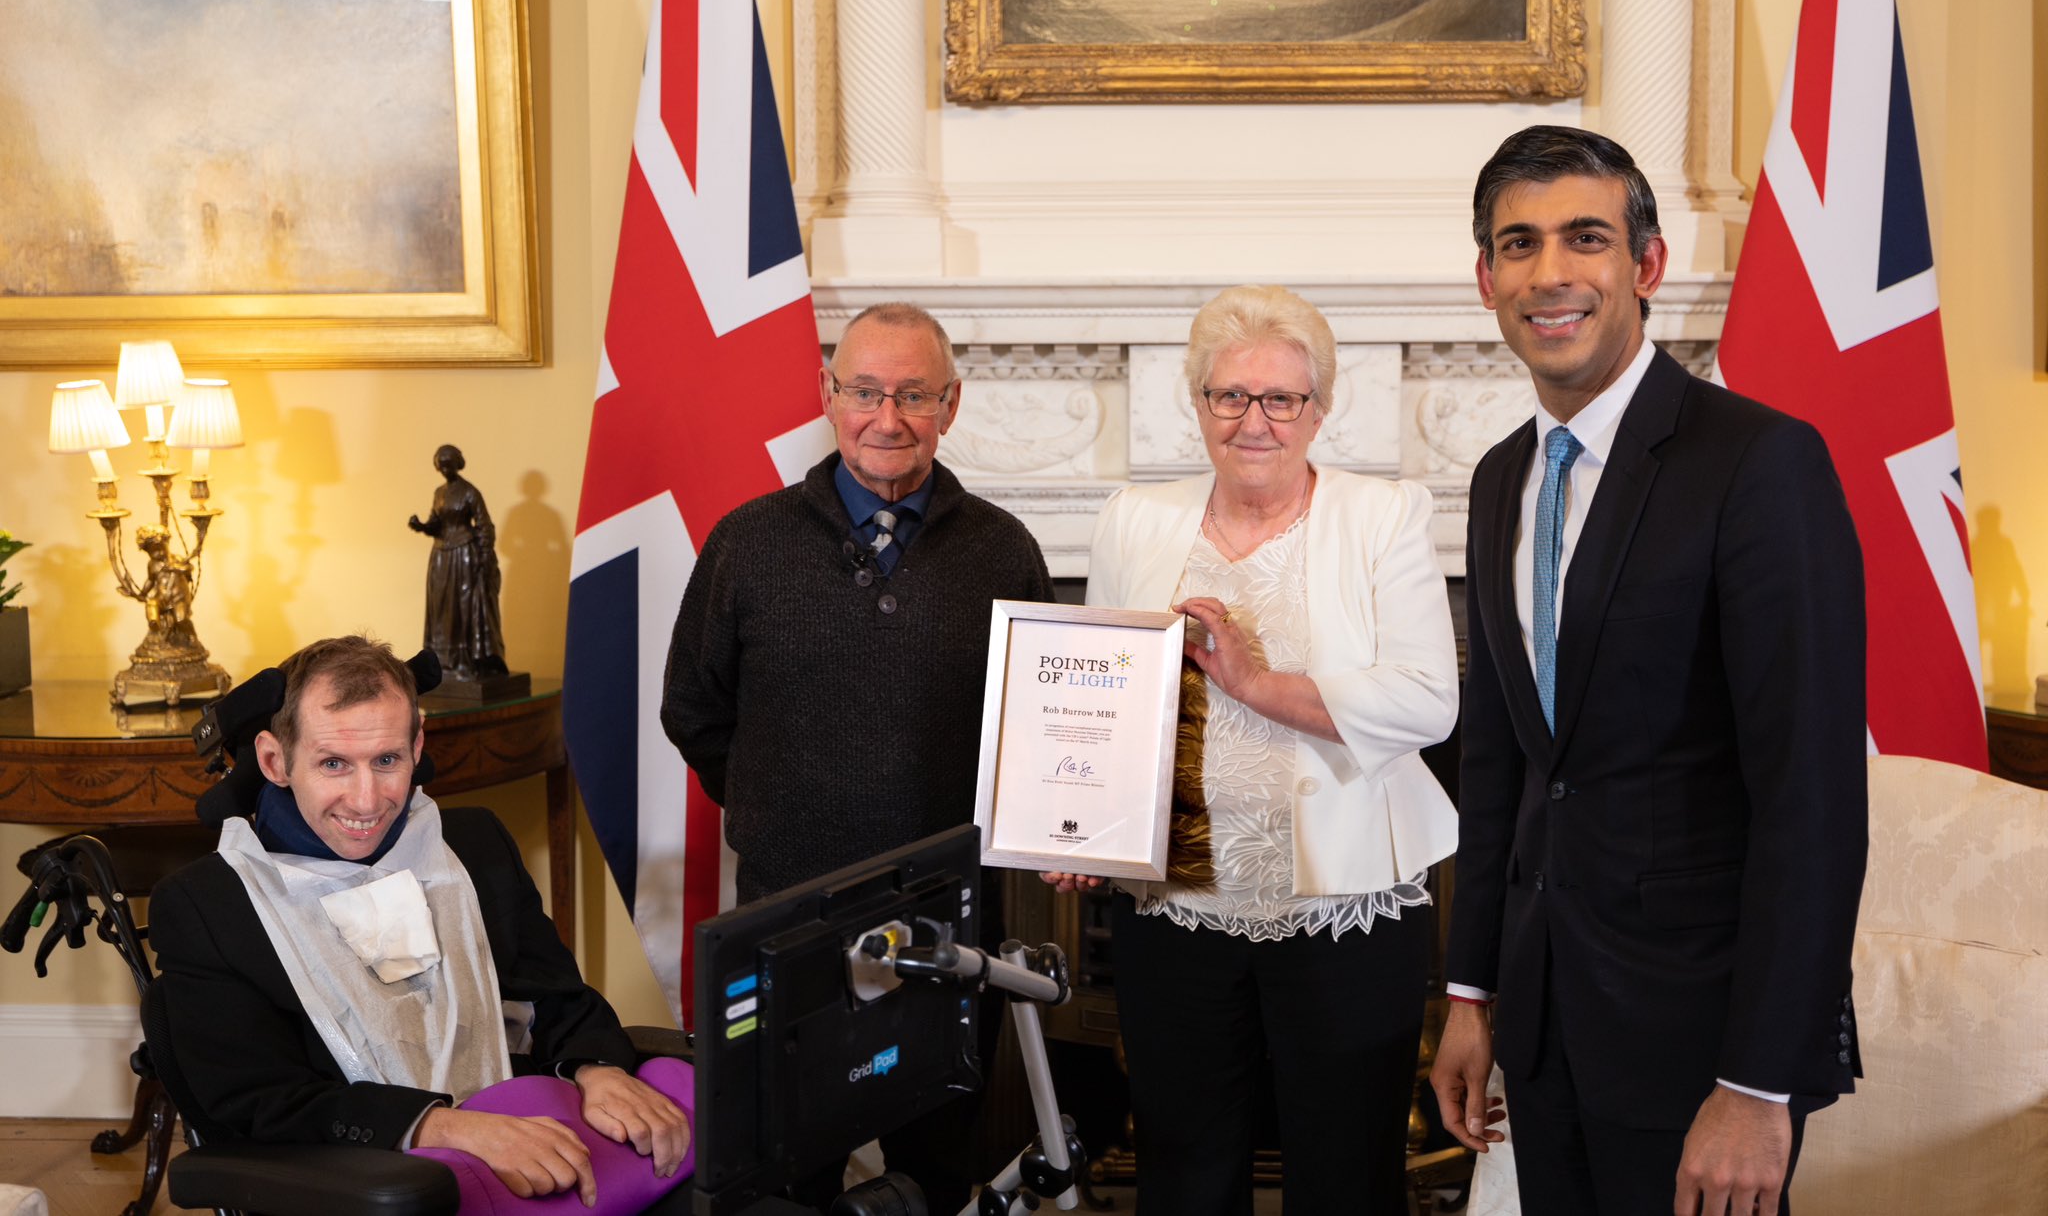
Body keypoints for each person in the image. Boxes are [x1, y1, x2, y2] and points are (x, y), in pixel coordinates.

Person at [1430, 126, 1867, 1216]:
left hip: (1700, 1041)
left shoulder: (1758, 462)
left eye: (1583, 237)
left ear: (1646, 264)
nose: (1549, 274)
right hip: (1538, 1024)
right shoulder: (1499, 480)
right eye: (1516, 244)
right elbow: (1499, 766)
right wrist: (1472, 991)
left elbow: (1808, 801)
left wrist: (1756, 1082)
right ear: (1485, 278)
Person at [1060, 284, 1460, 1214]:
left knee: (1346, 1177)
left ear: (1320, 410)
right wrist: (1075, 830)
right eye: (1230, 396)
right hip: (1178, 911)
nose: (1255, 421)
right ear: (1197, 404)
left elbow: (1430, 699)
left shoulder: (1384, 514)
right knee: (1185, 1169)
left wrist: (1254, 684)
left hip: (1346, 908)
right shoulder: (1135, 519)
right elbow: (1097, 699)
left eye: (1282, 399)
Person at [662, 301, 1054, 1209]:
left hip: (948, 924)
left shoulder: (1004, 550)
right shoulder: (746, 543)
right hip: (789, 919)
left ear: (951, 405)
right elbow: (693, 709)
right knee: (788, 1177)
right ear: (827, 396)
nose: (889, 417)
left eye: (914, 394)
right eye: (866, 391)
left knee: (936, 1171)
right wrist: (781, 805)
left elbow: (1039, 726)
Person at [151, 635, 691, 1214]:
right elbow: (260, 1103)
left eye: (387, 760)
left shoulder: (474, 847)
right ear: (274, 761)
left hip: (526, 1141)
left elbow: (560, 1000)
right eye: (334, 764)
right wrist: (446, 1128)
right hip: (365, 1184)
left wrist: (597, 1066)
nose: (366, 801)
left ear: (417, 745)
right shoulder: (206, 905)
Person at [408, 444, 508, 681]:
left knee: (462, 608)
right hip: (442, 555)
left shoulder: (470, 492)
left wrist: (483, 558)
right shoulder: (439, 492)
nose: (444, 469)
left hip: (464, 555)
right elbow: (437, 523)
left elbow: (485, 526)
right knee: (442, 607)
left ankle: (466, 661)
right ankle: (444, 663)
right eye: (440, 465)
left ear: (457, 463)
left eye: (448, 464)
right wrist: (421, 526)